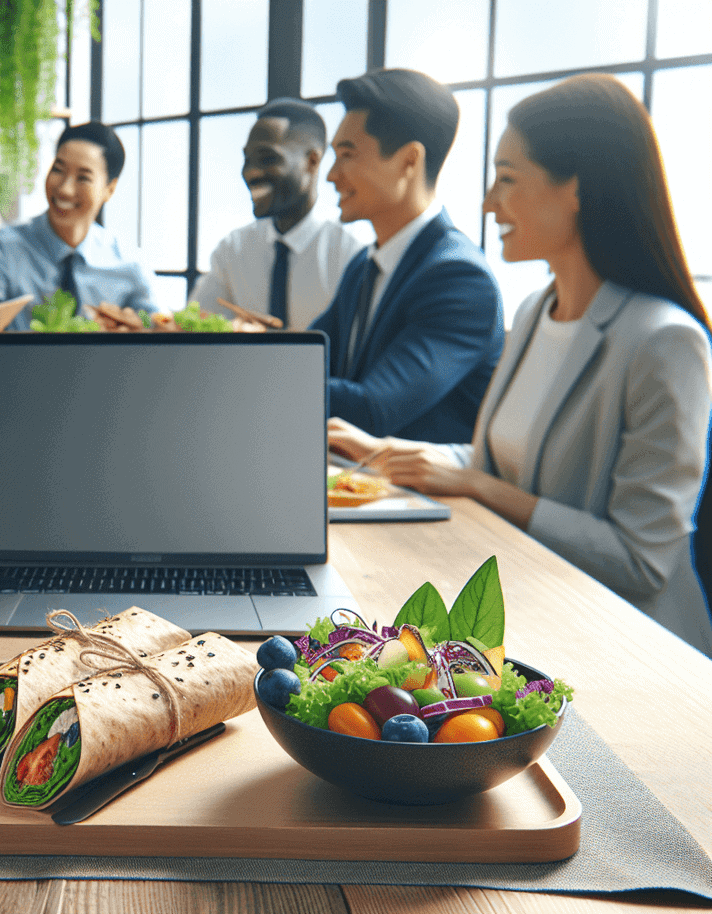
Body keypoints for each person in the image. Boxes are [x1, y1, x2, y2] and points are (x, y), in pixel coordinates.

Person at [329, 74, 712, 656]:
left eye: (506, 179)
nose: (487, 202)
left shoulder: (665, 343)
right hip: (536, 612)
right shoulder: (536, 311)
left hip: (635, 649)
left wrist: (477, 484)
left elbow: (641, 560)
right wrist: (392, 451)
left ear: (577, 188)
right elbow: (504, 460)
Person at [311, 69, 503, 444]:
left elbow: (374, 410)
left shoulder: (460, 278)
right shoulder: (365, 265)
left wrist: (247, 375)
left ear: (409, 160)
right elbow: (307, 356)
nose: (332, 175)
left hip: (423, 498)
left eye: (347, 155)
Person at [0, 122, 156, 329]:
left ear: (109, 189)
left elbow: (163, 335)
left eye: (83, 178)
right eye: (58, 169)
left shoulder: (130, 264)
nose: (65, 189)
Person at [191, 99, 365, 330]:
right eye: (247, 159)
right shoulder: (232, 250)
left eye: (268, 158)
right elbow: (195, 328)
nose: (251, 172)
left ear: (312, 161)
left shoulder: (349, 255)